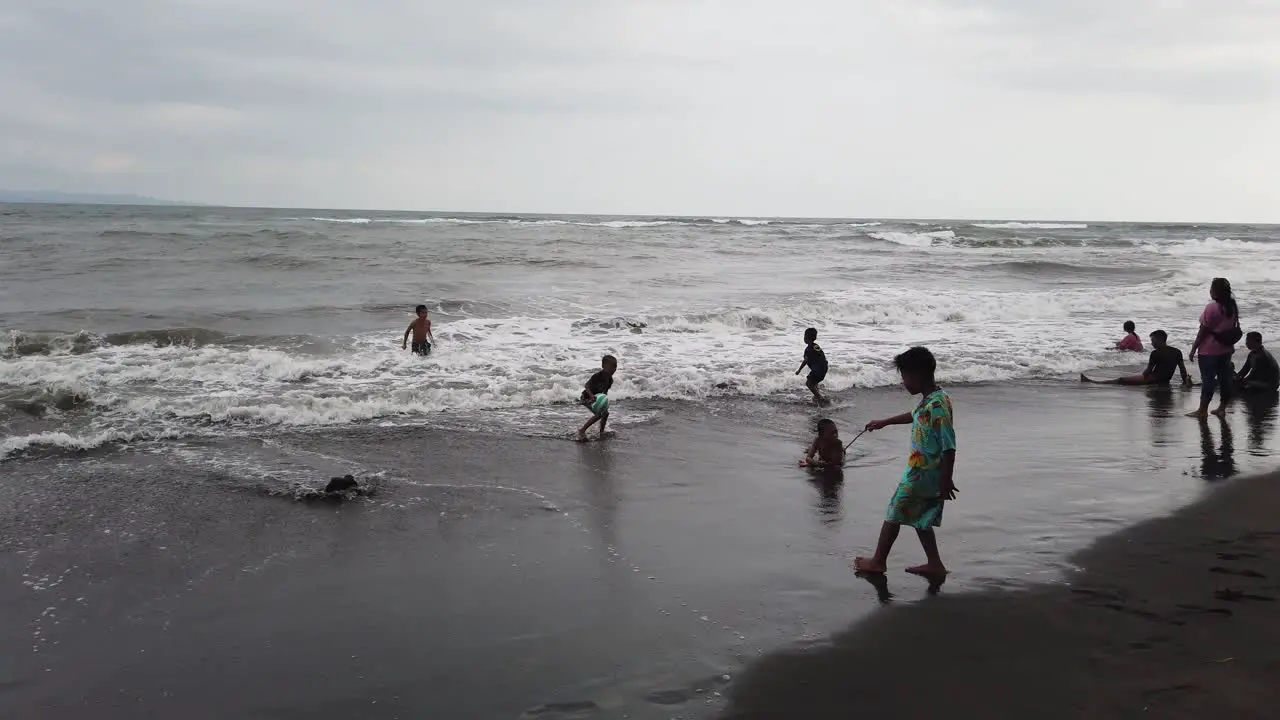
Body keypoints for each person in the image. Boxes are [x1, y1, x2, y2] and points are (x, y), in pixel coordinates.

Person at [854, 347, 956, 578]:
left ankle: (878, 561)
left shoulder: (937, 406)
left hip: (924, 473)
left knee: (895, 511)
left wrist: (946, 479)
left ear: (918, 374)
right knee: (921, 517)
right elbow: (915, 415)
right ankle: (935, 564)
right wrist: (884, 422)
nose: (903, 382)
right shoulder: (932, 399)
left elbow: (949, 445)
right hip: (926, 471)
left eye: (905, 377)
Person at [1188, 277, 1240, 418]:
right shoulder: (1232, 306)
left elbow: (1203, 331)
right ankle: (1222, 408)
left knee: (1208, 380)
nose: (1210, 291)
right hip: (1226, 349)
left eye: (1211, 289)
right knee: (1225, 380)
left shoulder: (1212, 307)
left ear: (1215, 292)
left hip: (1209, 350)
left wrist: (1193, 349)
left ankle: (1202, 410)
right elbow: (1232, 327)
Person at [1081, 330, 1192, 386]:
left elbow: (1147, 372)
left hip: (1154, 379)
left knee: (1122, 380)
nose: (1152, 343)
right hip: (1165, 380)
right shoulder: (1177, 351)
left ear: (1159, 340)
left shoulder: (1155, 353)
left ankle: (1094, 383)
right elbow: (1183, 370)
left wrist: (1142, 373)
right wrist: (1185, 382)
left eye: (1153, 341)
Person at [577, 354, 617, 441]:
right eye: (611, 367)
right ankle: (582, 430)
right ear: (603, 366)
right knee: (599, 414)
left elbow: (604, 393)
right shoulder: (597, 376)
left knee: (606, 413)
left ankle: (601, 432)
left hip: (596, 399)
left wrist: (605, 403)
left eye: (615, 367)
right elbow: (586, 385)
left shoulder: (610, 380)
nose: (613, 369)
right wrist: (591, 396)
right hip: (586, 397)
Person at [794, 327, 829, 404]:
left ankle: (820, 397)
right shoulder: (816, 346)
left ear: (806, 338)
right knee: (814, 382)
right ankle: (817, 396)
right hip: (824, 368)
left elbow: (805, 361)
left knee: (809, 383)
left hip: (818, 370)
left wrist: (799, 370)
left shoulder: (808, 349)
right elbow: (821, 356)